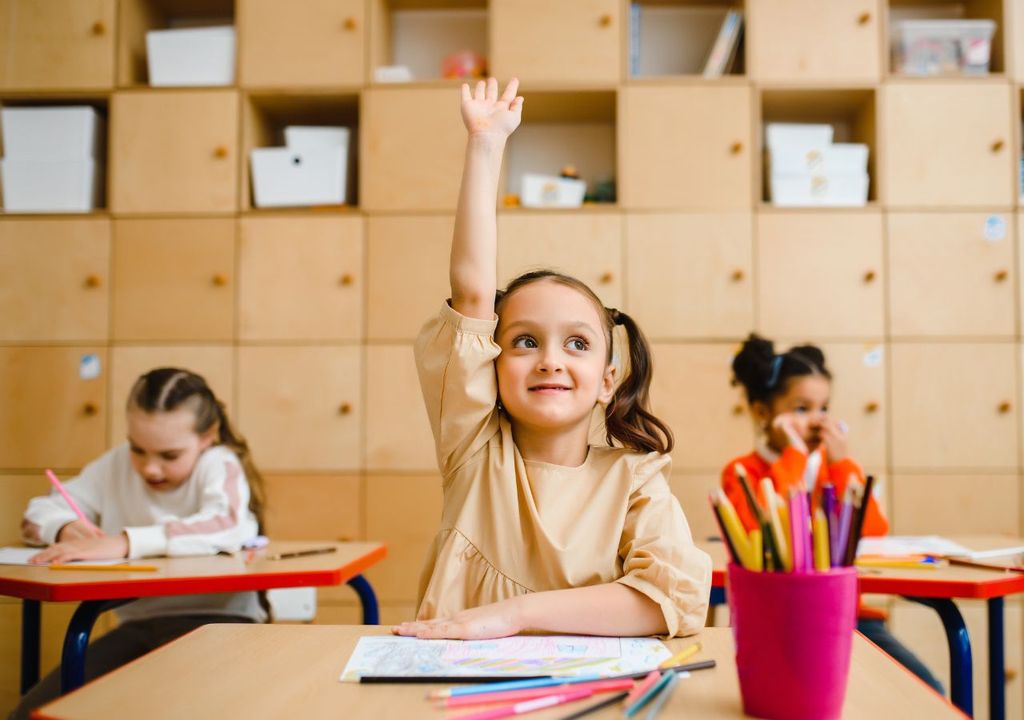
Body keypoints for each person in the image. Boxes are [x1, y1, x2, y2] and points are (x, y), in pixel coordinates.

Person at [393, 78, 710, 642]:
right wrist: (485, 146)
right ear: (489, 362)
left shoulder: (635, 479)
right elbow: (470, 295)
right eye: (524, 341)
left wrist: (514, 616)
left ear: (608, 380)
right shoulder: (473, 448)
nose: (549, 361)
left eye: (578, 344)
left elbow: (670, 601)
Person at [11, 368, 267, 720]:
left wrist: (125, 542)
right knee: (34, 713)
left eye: (170, 455)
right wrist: (64, 528)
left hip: (222, 623)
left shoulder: (219, 464)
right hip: (138, 628)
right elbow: (36, 515)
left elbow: (229, 525)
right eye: (138, 449)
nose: (150, 469)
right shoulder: (116, 465)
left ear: (208, 436)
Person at [723, 334, 944, 694]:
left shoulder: (833, 467)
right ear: (763, 412)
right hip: (780, 622)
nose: (817, 421)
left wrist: (842, 464)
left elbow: (871, 532)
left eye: (823, 408)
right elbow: (760, 530)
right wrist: (793, 458)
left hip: (846, 618)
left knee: (927, 689)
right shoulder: (742, 472)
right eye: (801, 408)